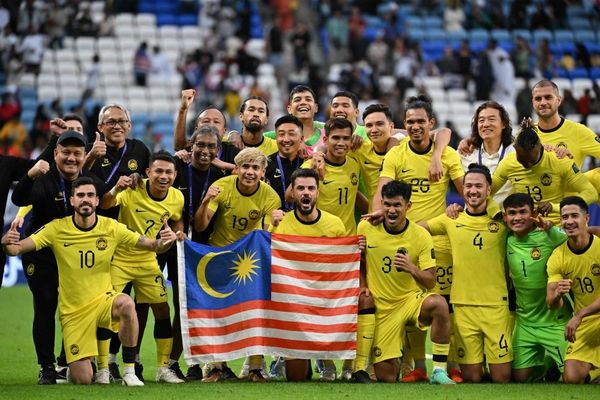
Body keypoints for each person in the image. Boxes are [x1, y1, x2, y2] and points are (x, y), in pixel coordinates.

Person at [2, 177, 180, 386]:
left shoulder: (111, 227)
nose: (85, 200)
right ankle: (81, 366)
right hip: (74, 313)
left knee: (126, 304)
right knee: (83, 379)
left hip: (104, 301)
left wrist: (166, 240)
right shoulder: (56, 228)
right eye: (80, 196)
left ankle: (129, 371)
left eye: (89, 195)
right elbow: (18, 248)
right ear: (72, 200)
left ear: (97, 201)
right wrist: (7, 244)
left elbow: (152, 245)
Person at [369, 95, 464, 383]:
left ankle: (450, 366)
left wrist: (458, 207)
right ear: (403, 125)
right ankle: (418, 367)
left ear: (431, 124)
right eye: (410, 121)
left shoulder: (447, 154)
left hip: (440, 241)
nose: (415, 126)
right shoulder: (396, 155)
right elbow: (382, 188)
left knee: (446, 304)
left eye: (421, 121)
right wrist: (376, 213)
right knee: (409, 301)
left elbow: (467, 190)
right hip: (406, 239)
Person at [11, 131, 107, 384]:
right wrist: (30, 174)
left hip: (74, 256)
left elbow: (108, 202)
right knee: (45, 303)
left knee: (78, 306)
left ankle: (67, 360)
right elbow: (18, 198)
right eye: (66, 152)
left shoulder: (89, 182)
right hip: (40, 252)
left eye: (77, 153)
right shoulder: (43, 178)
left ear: (83, 156)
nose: (71, 158)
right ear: (56, 154)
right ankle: (46, 367)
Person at [194, 147, 281, 382]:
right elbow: (201, 226)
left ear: (263, 172)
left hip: (249, 260)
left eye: (255, 168)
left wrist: (275, 224)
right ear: (237, 169)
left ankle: (255, 368)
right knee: (217, 312)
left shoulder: (270, 196)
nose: (250, 172)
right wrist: (206, 202)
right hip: (220, 256)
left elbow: (266, 234)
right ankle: (216, 367)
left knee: (255, 311)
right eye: (245, 167)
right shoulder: (222, 187)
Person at [421, 164, 512, 383]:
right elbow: (417, 228)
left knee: (502, 378)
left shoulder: (503, 220)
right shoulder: (451, 219)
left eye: (478, 186)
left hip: (496, 306)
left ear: (489, 189)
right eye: (468, 186)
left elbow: (528, 222)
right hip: (463, 305)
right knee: (472, 377)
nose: (473, 190)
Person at [100, 151, 185, 384]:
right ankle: (103, 366)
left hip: (148, 259)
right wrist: (116, 188)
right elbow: (105, 203)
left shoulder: (177, 197)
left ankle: (162, 369)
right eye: (158, 171)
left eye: (168, 172)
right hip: (120, 258)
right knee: (108, 310)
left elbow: (177, 218)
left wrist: (178, 232)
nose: (163, 176)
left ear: (175, 175)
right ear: (148, 172)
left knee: (162, 310)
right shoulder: (132, 188)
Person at [358, 180, 455, 385]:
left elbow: (430, 282)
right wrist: (362, 284)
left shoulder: (420, 235)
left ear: (408, 206)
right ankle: (398, 353)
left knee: (439, 304)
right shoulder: (365, 227)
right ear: (381, 204)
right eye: (387, 204)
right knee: (387, 377)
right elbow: (360, 263)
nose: (391, 210)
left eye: (397, 205)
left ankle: (438, 370)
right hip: (383, 308)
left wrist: (412, 268)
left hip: (411, 300)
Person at [270, 168, 347, 381]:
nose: (306, 193)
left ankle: (328, 359)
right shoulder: (280, 223)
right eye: (301, 188)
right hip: (292, 300)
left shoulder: (334, 224)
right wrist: (271, 228)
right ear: (292, 193)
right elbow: (268, 261)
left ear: (318, 193)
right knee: (296, 378)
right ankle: (284, 356)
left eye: (311, 188)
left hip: (324, 296)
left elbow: (342, 264)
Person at [167, 125, 225, 381]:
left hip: (208, 249)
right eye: (200, 145)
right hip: (177, 247)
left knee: (205, 308)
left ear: (218, 150)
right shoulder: (177, 170)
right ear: (190, 145)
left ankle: (199, 364)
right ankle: (170, 362)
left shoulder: (221, 177)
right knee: (182, 307)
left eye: (211, 146)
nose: (205, 151)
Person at [503, 193, 570, 383]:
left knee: (573, 377)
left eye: (523, 212)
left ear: (533, 212)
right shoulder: (505, 238)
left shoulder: (549, 235)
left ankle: (553, 362)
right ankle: (544, 365)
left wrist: (551, 228)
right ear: (505, 216)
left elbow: (578, 239)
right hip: (525, 321)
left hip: (555, 321)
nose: (517, 218)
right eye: (512, 213)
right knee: (519, 378)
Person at [491, 118, 597, 224]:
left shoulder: (560, 160)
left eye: (532, 161)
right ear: (515, 148)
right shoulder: (508, 163)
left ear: (540, 146)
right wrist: (494, 210)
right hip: (525, 226)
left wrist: (555, 207)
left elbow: (591, 193)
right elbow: (486, 191)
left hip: (558, 226)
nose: (528, 165)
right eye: (522, 161)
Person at [547, 196, 600, 384]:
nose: (569, 221)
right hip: (586, 323)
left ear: (586, 218)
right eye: (564, 217)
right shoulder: (558, 256)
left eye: (574, 216)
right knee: (572, 378)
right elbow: (551, 304)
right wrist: (558, 295)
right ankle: (593, 376)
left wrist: (578, 316)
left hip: (583, 317)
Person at [301, 118, 367, 237]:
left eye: (346, 138)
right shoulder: (312, 165)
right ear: (325, 140)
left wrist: (374, 211)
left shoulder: (354, 164)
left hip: (348, 238)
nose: (341, 143)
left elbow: (351, 192)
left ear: (351, 140)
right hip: (319, 237)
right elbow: (289, 195)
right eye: (336, 138)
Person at [531, 79, 600, 169]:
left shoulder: (578, 131)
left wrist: (589, 178)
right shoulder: (526, 134)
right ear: (533, 103)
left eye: (548, 97)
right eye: (538, 99)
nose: (543, 102)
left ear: (558, 100)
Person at [459, 101, 515, 204]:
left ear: (503, 124)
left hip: (504, 218)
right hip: (474, 218)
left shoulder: (515, 154)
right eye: (481, 120)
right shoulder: (466, 154)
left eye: (491, 119)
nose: (485, 124)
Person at [173, 90, 238, 172]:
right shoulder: (190, 150)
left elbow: (250, 172)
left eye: (216, 122)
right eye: (206, 121)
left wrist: (224, 165)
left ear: (224, 131)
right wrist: (183, 109)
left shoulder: (233, 151)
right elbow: (179, 145)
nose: (211, 125)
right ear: (196, 129)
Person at [265, 114, 305, 211]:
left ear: (302, 139)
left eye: (291, 134)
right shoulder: (265, 164)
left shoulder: (307, 164)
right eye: (281, 134)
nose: (286, 139)